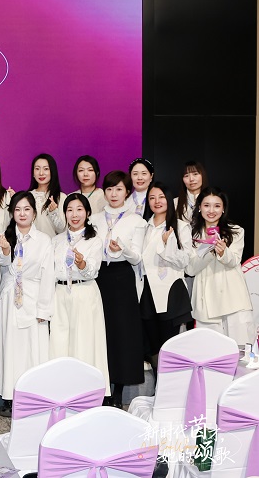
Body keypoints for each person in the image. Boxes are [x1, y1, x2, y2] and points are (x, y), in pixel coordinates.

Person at [90, 172, 147, 408]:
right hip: (98, 276)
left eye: (119, 189)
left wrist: (122, 248)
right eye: (110, 189)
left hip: (122, 277)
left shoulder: (137, 221)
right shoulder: (93, 219)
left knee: (122, 333)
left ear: (127, 192)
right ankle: (101, 389)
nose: (114, 194)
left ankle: (118, 392)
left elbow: (137, 258)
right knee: (100, 331)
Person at [0, 191, 54, 416]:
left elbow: (48, 276)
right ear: (12, 213)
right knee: (10, 348)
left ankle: (33, 397)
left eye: (26, 209)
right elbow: (2, 264)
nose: (22, 213)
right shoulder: (6, 236)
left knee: (32, 349)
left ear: (34, 213)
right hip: (9, 299)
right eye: (17, 209)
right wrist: (5, 250)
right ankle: (9, 397)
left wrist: (44, 309)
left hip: (33, 298)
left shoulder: (44, 240)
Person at [49, 193, 109, 395]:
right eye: (69, 210)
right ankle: (60, 392)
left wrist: (81, 263)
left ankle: (86, 393)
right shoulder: (56, 241)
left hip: (84, 292)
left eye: (79, 210)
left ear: (88, 213)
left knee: (84, 342)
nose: (74, 215)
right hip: (59, 293)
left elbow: (93, 271)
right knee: (59, 342)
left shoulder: (94, 240)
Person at [188, 187, 255, 344]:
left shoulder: (236, 231)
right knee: (211, 350)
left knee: (241, 349)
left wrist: (223, 252)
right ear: (199, 207)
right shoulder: (191, 234)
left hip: (233, 299)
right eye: (206, 205)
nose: (211, 210)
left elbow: (234, 261)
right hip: (206, 302)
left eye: (217, 206)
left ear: (223, 208)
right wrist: (209, 250)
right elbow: (190, 269)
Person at [140, 182, 193, 376]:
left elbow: (184, 261)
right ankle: (158, 385)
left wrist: (166, 245)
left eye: (161, 197)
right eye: (152, 198)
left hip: (170, 291)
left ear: (169, 199)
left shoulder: (180, 226)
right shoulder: (143, 227)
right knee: (152, 346)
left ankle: (172, 384)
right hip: (146, 291)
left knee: (171, 345)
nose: (157, 201)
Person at [29, 153, 66, 238]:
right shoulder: (27, 197)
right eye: (37, 169)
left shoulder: (61, 197)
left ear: (52, 172)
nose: (41, 173)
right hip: (30, 244)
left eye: (46, 169)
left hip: (52, 244)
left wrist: (53, 212)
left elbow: (62, 230)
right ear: (33, 173)